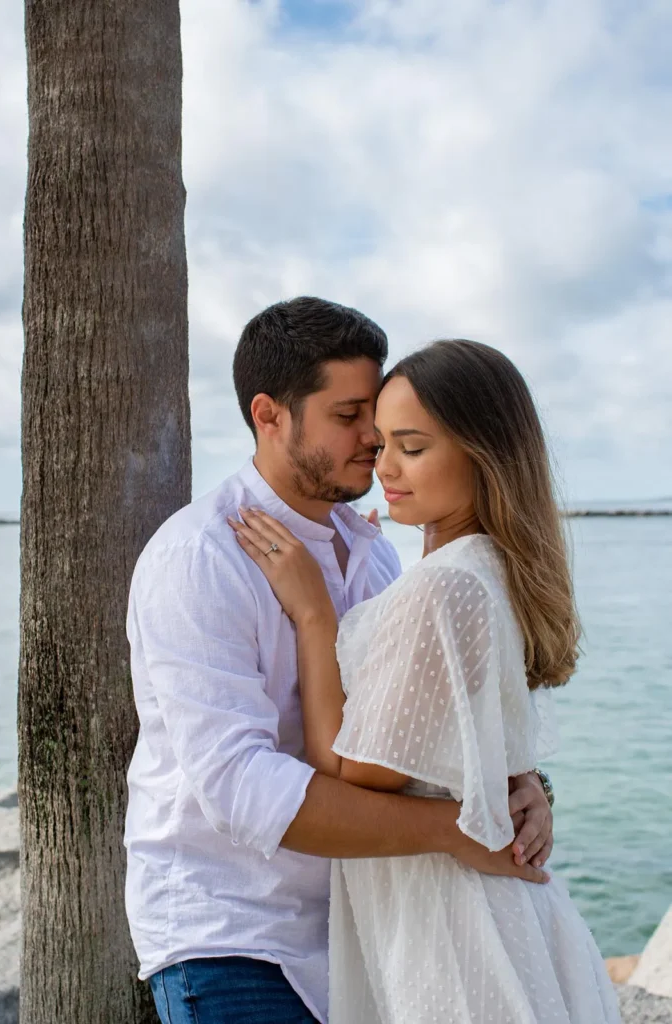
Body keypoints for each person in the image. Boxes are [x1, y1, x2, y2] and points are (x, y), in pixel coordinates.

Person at [124, 299, 555, 1024]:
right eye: (349, 415)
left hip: (367, 929)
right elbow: (240, 786)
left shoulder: (375, 555)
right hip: (236, 937)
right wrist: (458, 830)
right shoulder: (200, 557)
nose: (372, 439)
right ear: (269, 416)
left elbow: (411, 727)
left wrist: (519, 786)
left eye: (377, 418)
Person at [230, 338, 621, 1024]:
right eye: (382, 444)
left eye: (411, 447)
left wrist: (315, 614)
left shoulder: (442, 588)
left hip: (452, 925)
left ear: (483, 453)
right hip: (477, 910)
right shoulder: (487, 570)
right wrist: (527, 784)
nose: (384, 467)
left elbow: (353, 770)